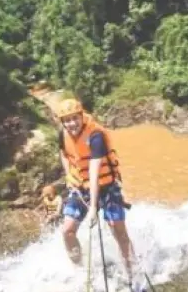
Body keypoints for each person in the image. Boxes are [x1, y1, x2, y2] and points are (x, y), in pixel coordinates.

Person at [53, 98, 137, 281]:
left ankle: (132, 271)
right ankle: (80, 272)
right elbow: (64, 153)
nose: (71, 123)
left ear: (82, 116)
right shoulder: (63, 133)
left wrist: (92, 208)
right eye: (67, 120)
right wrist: (69, 176)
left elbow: (94, 170)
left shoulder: (95, 136)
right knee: (67, 231)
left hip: (106, 186)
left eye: (74, 118)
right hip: (80, 187)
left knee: (118, 230)